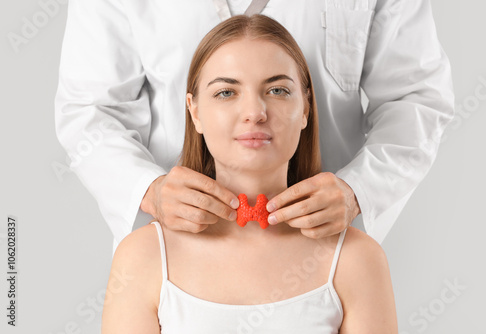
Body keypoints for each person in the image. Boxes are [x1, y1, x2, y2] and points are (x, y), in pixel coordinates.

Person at [54, 0, 455, 253]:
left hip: (322, 250)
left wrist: (359, 190)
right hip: (177, 248)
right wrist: (147, 190)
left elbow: (415, 96)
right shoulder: (143, 265)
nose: (254, 114)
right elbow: (92, 108)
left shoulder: (355, 271)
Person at [101, 14, 398, 333]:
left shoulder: (357, 259)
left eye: (278, 90)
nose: (255, 113)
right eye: (226, 93)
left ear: (306, 109)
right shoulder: (142, 258)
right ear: (195, 112)